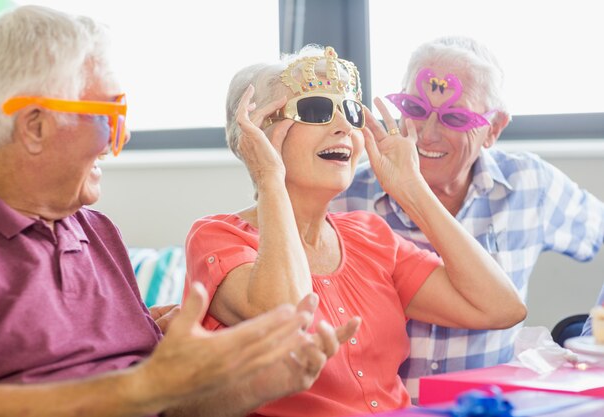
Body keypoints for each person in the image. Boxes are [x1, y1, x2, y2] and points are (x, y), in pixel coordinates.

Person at [0, 6, 360, 417]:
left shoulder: (97, 232)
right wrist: (147, 385)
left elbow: (171, 403)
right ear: (35, 126)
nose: (116, 141)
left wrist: (263, 383)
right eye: (111, 117)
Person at [184, 44, 525, 416]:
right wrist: (270, 181)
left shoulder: (371, 236)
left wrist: (413, 191)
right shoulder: (216, 237)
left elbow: (500, 308)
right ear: (257, 135)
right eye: (316, 110)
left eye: (349, 111)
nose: (345, 126)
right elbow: (289, 311)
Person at [331, 35, 604, 402]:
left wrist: (591, 335)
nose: (427, 133)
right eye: (413, 107)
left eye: (455, 117)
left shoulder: (529, 185)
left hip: (488, 409)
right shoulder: (346, 195)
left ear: (494, 129)